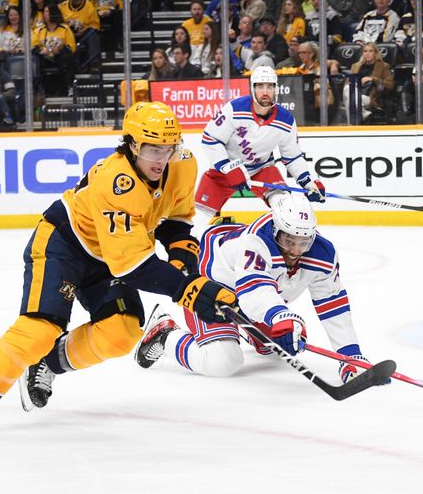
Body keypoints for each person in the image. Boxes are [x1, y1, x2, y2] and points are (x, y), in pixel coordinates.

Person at [0, 101, 238, 440]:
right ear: (133, 144)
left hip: (108, 256)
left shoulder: (183, 164)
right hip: (64, 246)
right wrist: (188, 289)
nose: (162, 157)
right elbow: (134, 266)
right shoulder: (116, 181)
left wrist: (184, 265)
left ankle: (46, 363)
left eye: (169, 147)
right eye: (153, 148)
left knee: (122, 332)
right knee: (38, 330)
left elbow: (176, 221)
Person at [135, 193, 379, 384]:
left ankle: (247, 332)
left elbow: (333, 305)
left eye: (304, 242)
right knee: (223, 362)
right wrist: (281, 316)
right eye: (288, 240)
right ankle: (165, 334)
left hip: (250, 293)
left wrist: (351, 355)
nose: (295, 250)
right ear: (276, 231)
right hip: (213, 281)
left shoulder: (323, 254)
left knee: (273, 347)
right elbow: (254, 289)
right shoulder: (254, 242)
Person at [194, 65, 325, 220]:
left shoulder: (286, 120)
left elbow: (293, 157)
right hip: (224, 171)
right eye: (260, 86)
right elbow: (210, 139)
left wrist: (309, 182)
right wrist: (228, 168)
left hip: (261, 169)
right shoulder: (234, 109)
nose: (265, 92)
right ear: (252, 88)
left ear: (276, 89)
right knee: (199, 219)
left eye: (270, 86)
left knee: (286, 206)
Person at [342, 41, 394, 123]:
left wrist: (372, 79)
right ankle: (362, 112)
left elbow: (390, 85)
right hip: (356, 94)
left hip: (372, 97)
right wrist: (353, 83)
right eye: (365, 51)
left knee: (350, 98)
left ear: (375, 53)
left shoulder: (384, 66)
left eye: (370, 51)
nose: (367, 54)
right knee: (348, 90)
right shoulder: (355, 66)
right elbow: (347, 83)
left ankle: (351, 126)